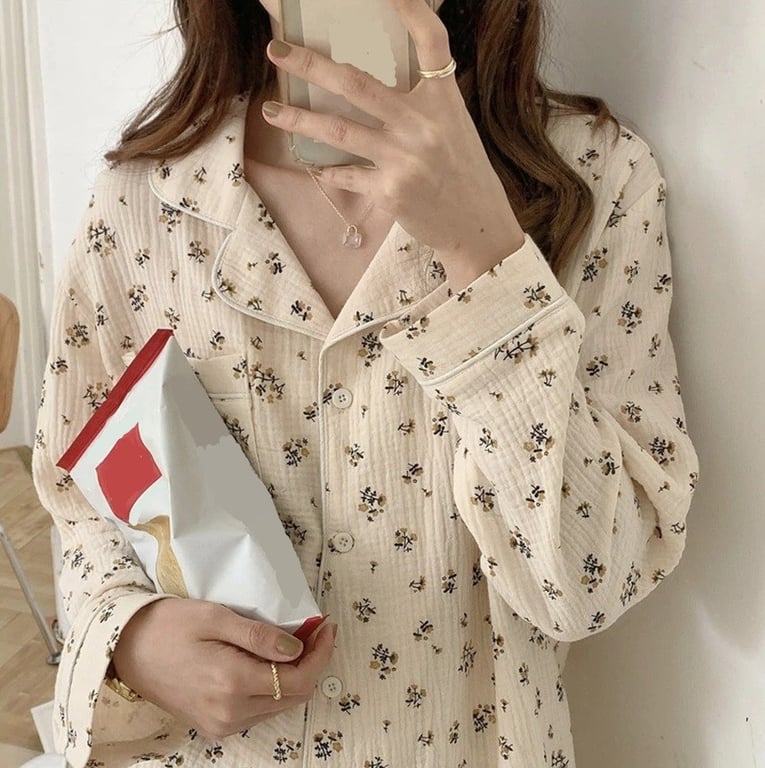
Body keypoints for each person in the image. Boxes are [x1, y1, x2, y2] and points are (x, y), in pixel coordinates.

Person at [32, 0, 700, 766]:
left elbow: (586, 587)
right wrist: (133, 642)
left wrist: (485, 255)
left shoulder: (594, 179)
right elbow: (83, 498)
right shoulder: (143, 201)